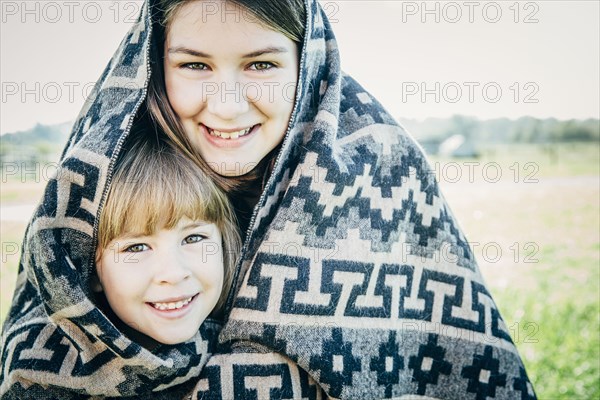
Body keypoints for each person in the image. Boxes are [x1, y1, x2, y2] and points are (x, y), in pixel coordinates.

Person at [1, 0, 537, 399]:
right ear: (151, 62)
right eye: (194, 65)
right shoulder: (105, 176)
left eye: (262, 65)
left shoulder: (379, 167)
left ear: (306, 65)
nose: (229, 106)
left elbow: (441, 363)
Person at [0, 128, 241, 398]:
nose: (173, 273)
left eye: (193, 237)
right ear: (89, 272)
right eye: (136, 247)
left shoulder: (250, 348)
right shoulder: (37, 378)